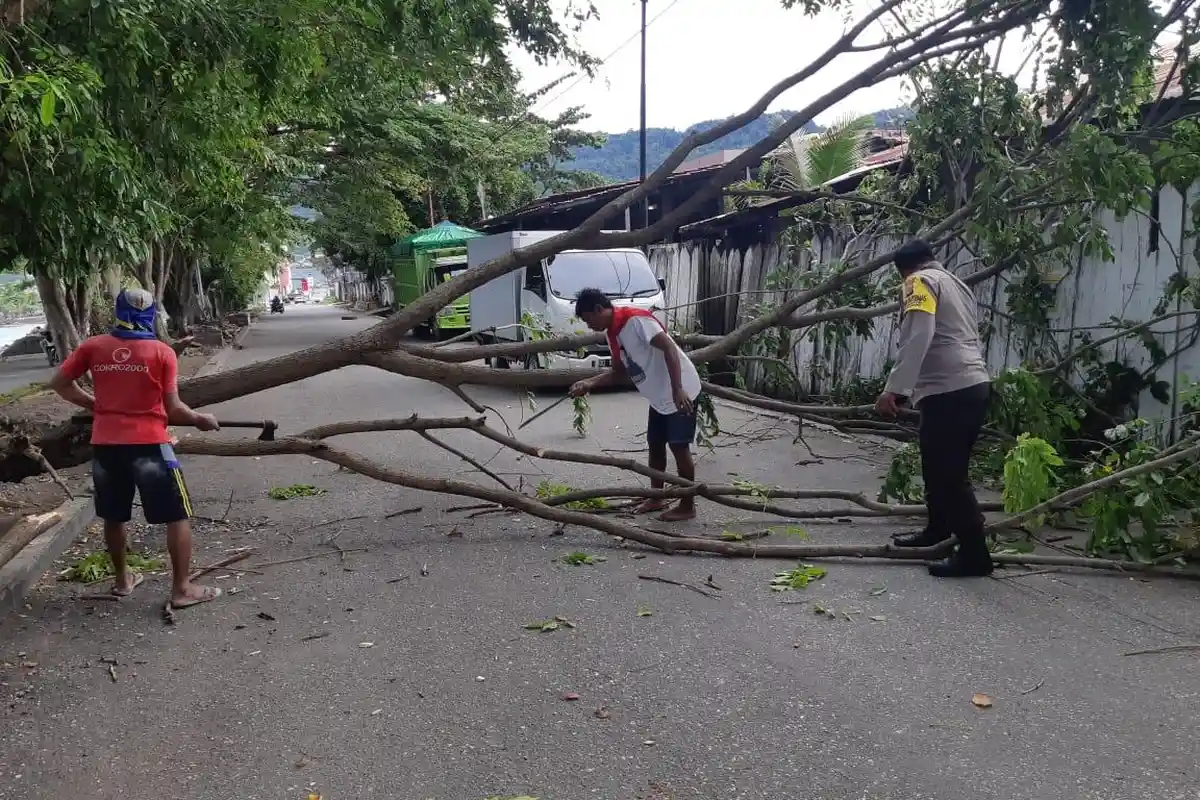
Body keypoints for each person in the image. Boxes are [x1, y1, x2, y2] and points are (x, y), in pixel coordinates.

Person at [49, 288, 223, 607]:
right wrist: (200, 418)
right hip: (150, 446)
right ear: (151, 314)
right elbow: (173, 409)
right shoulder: (160, 353)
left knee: (114, 516)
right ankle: (182, 589)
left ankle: (122, 580)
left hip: (107, 446)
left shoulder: (93, 347)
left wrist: (94, 404)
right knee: (177, 514)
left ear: (117, 311)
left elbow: (59, 382)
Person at [874, 239, 994, 578]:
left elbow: (919, 334)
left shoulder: (918, 282)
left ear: (903, 271)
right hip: (971, 384)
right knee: (936, 465)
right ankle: (937, 530)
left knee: (949, 475)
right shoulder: (956, 284)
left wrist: (894, 390)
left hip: (949, 389)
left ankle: (975, 554)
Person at [570, 288, 703, 522]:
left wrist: (677, 389)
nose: (589, 325)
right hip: (659, 396)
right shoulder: (614, 334)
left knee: (679, 447)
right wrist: (589, 383)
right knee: (655, 445)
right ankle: (656, 496)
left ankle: (687, 504)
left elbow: (670, 348)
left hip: (681, 390)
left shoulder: (635, 320)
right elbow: (619, 373)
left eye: (589, 319)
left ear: (600, 309)